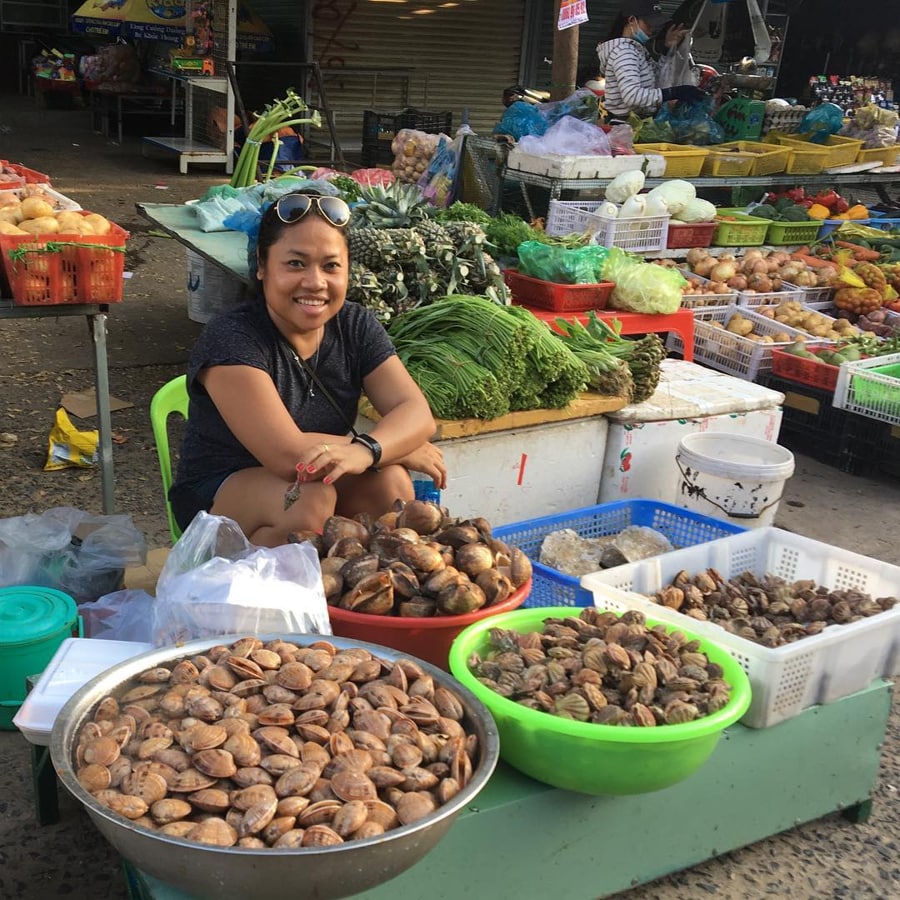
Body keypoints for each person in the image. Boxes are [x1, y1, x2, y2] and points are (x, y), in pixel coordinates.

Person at [169, 187, 447, 547]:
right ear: (263, 266)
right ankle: (265, 598)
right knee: (308, 501)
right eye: (295, 263)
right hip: (219, 494)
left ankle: (357, 593)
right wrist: (388, 445)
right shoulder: (232, 338)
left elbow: (416, 413)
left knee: (390, 485)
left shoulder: (354, 324)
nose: (315, 282)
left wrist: (370, 451)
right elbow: (288, 455)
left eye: (331, 266)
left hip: (311, 477)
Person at [597, 0, 705, 120]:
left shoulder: (636, 49)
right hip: (625, 125)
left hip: (637, 121)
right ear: (632, 20)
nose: (652, 29)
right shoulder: (624, 52)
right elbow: (632, 96)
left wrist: (667, 49)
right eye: (648, 23)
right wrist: (673, 93)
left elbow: (655, 78)